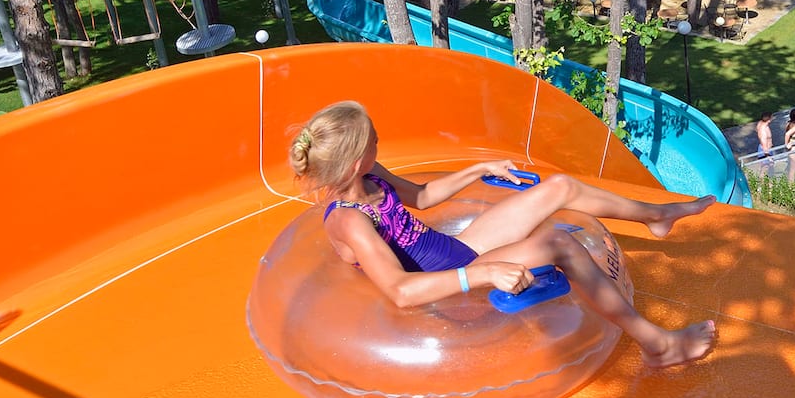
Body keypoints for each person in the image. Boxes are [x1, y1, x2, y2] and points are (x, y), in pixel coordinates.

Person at [292, 101, 718, 368]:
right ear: (351, 164)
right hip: (450, 291)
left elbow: (422, 198)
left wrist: (479, 169)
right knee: (559, 242)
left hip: (458, 251)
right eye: (373, 142)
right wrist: (485, 274)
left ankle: (654, 216)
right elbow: (402, 291)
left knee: (559, 188)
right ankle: (658, 345)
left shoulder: (371, 176)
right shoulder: (349, 220)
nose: (379, 144)